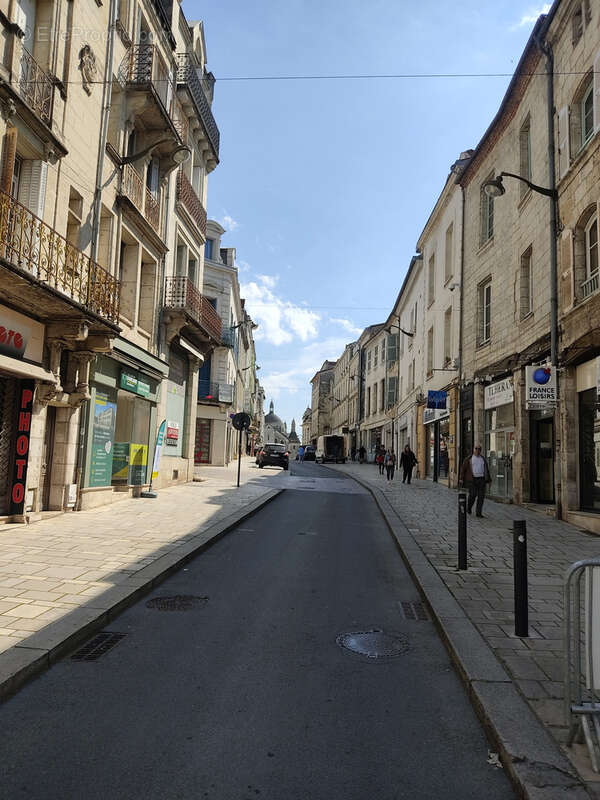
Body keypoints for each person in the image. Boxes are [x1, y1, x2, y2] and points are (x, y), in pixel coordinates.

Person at [459, 444, 492, 517]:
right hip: (472, 480)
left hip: (481, 479)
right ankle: (469, 508)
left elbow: (486, 470)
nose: (477, 450)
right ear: (473, 449)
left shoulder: (483, 459)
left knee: (481, 496)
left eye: (479, 449)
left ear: (481, 450)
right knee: (472, 495)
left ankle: (478, 513)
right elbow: (463, 469)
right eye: (476, 448)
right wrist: (461, 478)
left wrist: (489, 480)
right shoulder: (469, 459)